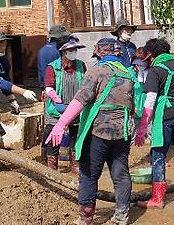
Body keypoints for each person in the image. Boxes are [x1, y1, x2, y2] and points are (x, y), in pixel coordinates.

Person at [45, 38, 136, 225]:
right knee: (120, 173)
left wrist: (60, 124)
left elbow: (81, 99)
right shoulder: (128, 74)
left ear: (100, 53)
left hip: (99, 132)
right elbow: (133, 107)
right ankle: (121, 215)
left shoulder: (96, 70)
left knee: (88, 174)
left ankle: (86, 219)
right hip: (122, 133)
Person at [135, 38, 174, 208]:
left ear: (151, 54)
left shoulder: (156, 70)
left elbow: (150, 100)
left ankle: (157, 199)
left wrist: (142, 129)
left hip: (166, 115)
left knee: (158, 154)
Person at [42, 38, 87, 173]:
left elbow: (86, 85)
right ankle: (52, 167)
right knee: (54, 137)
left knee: (76, 136)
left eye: (75, 50)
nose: (74, 52)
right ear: (63, 51)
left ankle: (75, 164)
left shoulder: (80, 66)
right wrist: (57, 100)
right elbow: (48, 87)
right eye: (70, 50)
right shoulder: (52, 67)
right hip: (57, 109)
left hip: (76, 108)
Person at [37, 24, 71, 89]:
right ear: (59, 37)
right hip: (59, 87)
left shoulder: (41, 50)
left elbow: (40, 73)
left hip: (47, 88)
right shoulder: (61, 50)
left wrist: (43, 88)